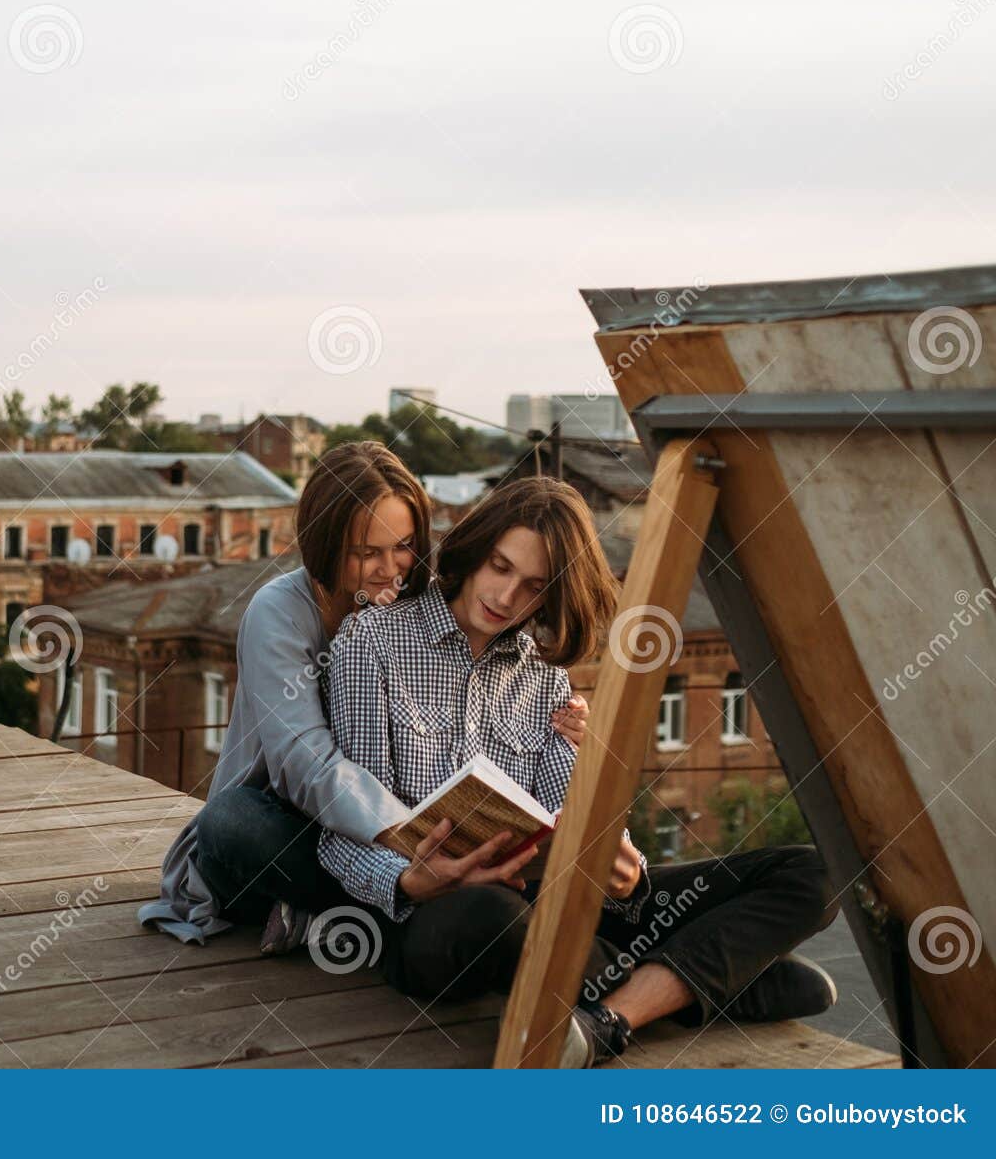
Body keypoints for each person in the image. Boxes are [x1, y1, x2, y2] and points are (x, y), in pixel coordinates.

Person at [320, 476, 839, 1067]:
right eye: (500, 566)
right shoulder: (373, 642)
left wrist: (623, 868)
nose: (507, 596)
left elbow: (565, 825)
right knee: (493, 914)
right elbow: (344, 830)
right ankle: (694, 988)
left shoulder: (547, 680)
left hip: (560, 904)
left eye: (534, 587)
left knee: (816, 871)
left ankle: (623, 1009)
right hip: (437, 914)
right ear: (474, 552)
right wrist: (414, 878)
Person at [137, 442, 590, 946]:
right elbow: (305, 763)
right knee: (228, 820)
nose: (390, 568)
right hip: (289, 829)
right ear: (325, 544)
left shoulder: (412, 600)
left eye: (403, 546)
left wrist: (567, 723)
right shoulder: (278, 613)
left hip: (388, 847)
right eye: (366, 552)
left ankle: (369, 915)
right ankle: (381, 912)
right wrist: (409, 842)